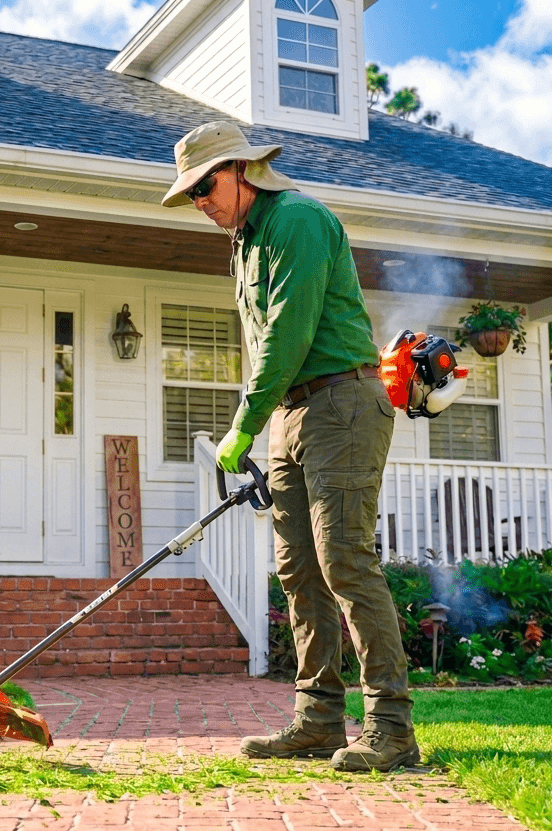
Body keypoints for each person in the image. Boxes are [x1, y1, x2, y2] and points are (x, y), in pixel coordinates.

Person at [162, 121, 419, 772]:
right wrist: (264, 420)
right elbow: (266, 349)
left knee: (345, 563)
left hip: (342, 403)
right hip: (292, 412)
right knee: (297, 573)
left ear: (242, 171)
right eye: (188, 193)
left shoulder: (297, 220)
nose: (199, 202)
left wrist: (241, 423)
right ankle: (317, 720)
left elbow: (288, 331)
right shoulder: (244, 245)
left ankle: (390, 727)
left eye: (205, 185)